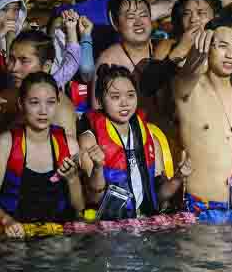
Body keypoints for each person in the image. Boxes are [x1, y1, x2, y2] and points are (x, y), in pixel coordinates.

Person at [172, 15, 232, 211]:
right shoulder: (189, 90)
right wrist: (196, 56)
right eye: (222, 46)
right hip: (203, 208)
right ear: (207, 46)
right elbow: (187, 75)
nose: (231, 54)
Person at [79, 65, 190, 218]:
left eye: (130, 95)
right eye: (115, 97)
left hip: (144, 223)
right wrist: (98, 167)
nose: (124, 103)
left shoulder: (150, 138)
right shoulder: (90, 140)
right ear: (99, 100)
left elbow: (159, 196)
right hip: (109, 227)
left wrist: (179, 177)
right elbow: (94, 199)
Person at [0, 72, 83, 238]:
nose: (43, 111)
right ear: (21, 104)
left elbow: (79, 208)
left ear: (58, 103)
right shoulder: (6, 144)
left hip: (55, 236)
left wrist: (72, 179)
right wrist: (6, 220)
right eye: (34, 102)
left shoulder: (69, 145)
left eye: (50, 103)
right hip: (14, 234)